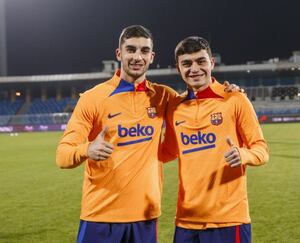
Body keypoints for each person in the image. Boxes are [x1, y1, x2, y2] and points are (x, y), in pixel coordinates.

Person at [56, 25, 240, 243]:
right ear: (119, 54)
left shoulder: (164, 97)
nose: (137, 56)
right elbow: (62, 156)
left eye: (144, 51)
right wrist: (87, 149)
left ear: (151, 57)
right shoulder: (92, 98)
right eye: (131, 49)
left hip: (146, 217)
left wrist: (228, 91)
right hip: (100, 216)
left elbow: (199, 98)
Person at [160, 36, 269, 243]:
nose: (194, 69)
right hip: (186, 221)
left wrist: (243, 154)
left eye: (201, 61)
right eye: (187, 63)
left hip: (229, 220)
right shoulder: (174, 107)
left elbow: (261, 150)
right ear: (178, 68)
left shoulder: (235, 99)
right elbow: (168, 152)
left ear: (212, 63)